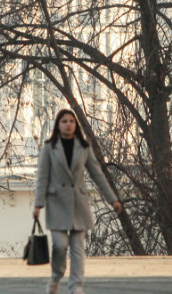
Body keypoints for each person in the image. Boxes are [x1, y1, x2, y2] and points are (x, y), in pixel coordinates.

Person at [33, 109, 123, 294]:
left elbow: (97, 174)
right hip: (56, 203)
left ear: (76, 124)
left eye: (71, 121)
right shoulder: (49, 148)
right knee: (59, 245)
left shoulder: (84, 147)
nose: (68, 124)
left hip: (78, 204)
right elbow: (42, 178)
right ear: (58, 125)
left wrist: (112, 199)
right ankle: (56, 276)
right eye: (64, 121)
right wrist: (37, 204)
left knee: (77, 249)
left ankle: (76, 286)